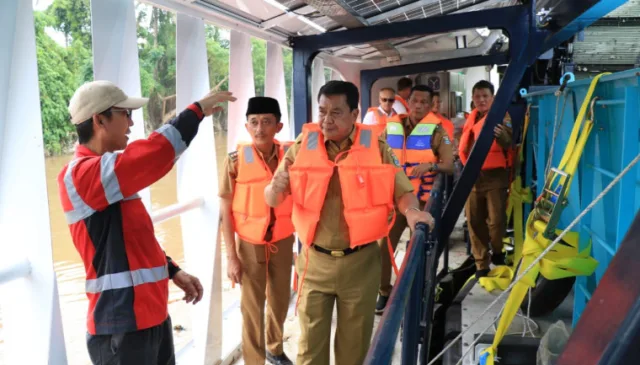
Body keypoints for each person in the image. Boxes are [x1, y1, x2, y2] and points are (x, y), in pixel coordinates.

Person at [57, 80, 236, 365]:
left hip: (149, 317)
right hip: (120, 326)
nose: (131, 121)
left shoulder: (110, 176)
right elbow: (154, 154)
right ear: (99, 119)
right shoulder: (82, 176)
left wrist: (173, 271)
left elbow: (135, 238)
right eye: (125, 114)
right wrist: (196, 111)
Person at [264, 81, 434, 365]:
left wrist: (413, 212)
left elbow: (402, 189)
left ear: (354, 114)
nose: (326, 120)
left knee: (354, 351)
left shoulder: (376, 146)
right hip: (314, 263)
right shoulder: (301, 146)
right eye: (322, 112)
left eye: (336, 113)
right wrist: (275, 187)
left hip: (361, 264)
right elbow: (271, 198)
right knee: (308, 350)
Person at [219, 97, 295, 365]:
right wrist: (231, 256)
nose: (259, 128)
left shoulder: (292, 156)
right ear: (246, 126)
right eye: (254, 123)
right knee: (252, 307)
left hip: (283, 240)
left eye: (266, 122)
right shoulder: (235, 160)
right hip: (250, 245)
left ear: (278, 125)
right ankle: (254, 360)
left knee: (280, 300)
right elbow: (225, 210)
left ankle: (274, 348)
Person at [375, 85, 455, 314]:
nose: (418, 105)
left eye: (424, 102)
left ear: (430, 106)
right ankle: (384, 291)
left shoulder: (439, 132)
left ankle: (418, 292)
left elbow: (449, 166)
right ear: (408, 102)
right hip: (396, 198)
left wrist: (430, 165)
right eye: (415, 101)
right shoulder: (390, 128)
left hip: (422, 201)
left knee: (419, 247)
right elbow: (375, 153)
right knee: (384, 246)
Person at [458, 80, 513, 278]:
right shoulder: (471, 118)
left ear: (492, 98)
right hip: (471, 176)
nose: (481, 100)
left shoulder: (501, 116)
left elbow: (509, 143)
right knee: (474, 220)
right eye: (477, 97)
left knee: (496, 220)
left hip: (495, 177)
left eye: (485, 96)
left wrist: (501, 136)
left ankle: (497, 251)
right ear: (472, 99)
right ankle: (481, 263)